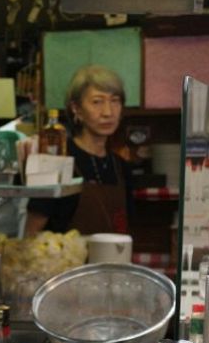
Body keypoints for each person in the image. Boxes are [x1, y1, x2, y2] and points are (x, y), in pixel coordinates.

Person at [25, 65, 133, 235]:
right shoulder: (57, 162)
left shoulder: (121, 168)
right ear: (77, 109)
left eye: (115, 101)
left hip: (111, 261)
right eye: (97, 102)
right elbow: (31, 233)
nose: (108, 112)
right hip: (64, 261)